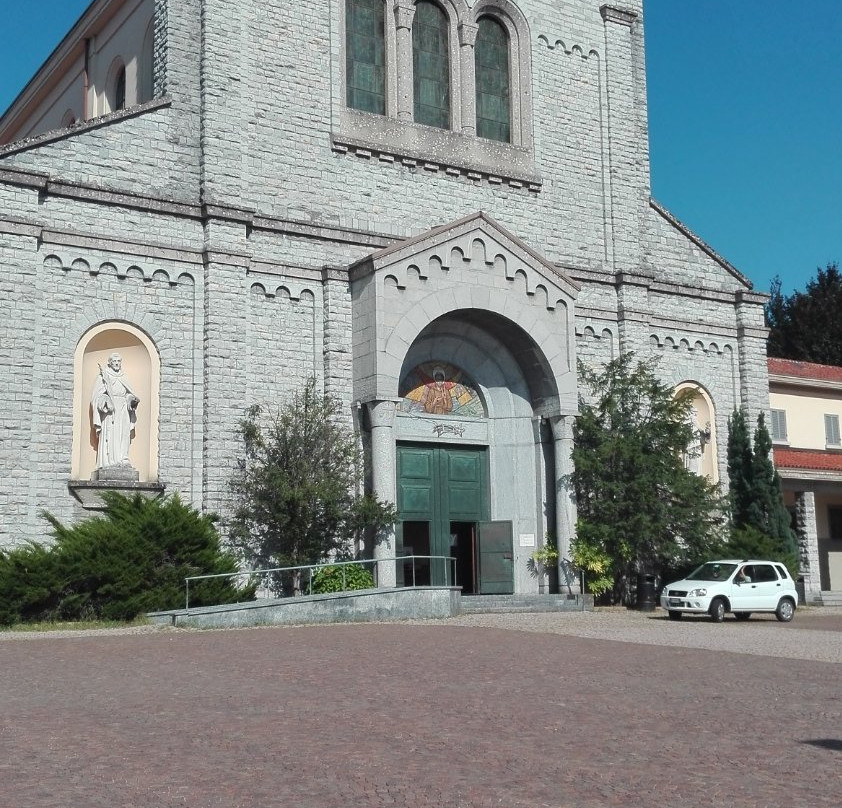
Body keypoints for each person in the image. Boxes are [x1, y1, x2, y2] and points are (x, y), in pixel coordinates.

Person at [91, 352, 140, 469]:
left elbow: (128, 393)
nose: (117, 363)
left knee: (123, 434)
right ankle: (110, 461)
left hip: (123, 409)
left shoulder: (124, 377)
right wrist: (105, 399)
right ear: (110, 363)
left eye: (119, 361)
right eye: (114, 361)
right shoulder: (103, 377)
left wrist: (131, 400)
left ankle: (123, 458)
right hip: (109, 413)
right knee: (112, 434)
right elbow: (96, 397)